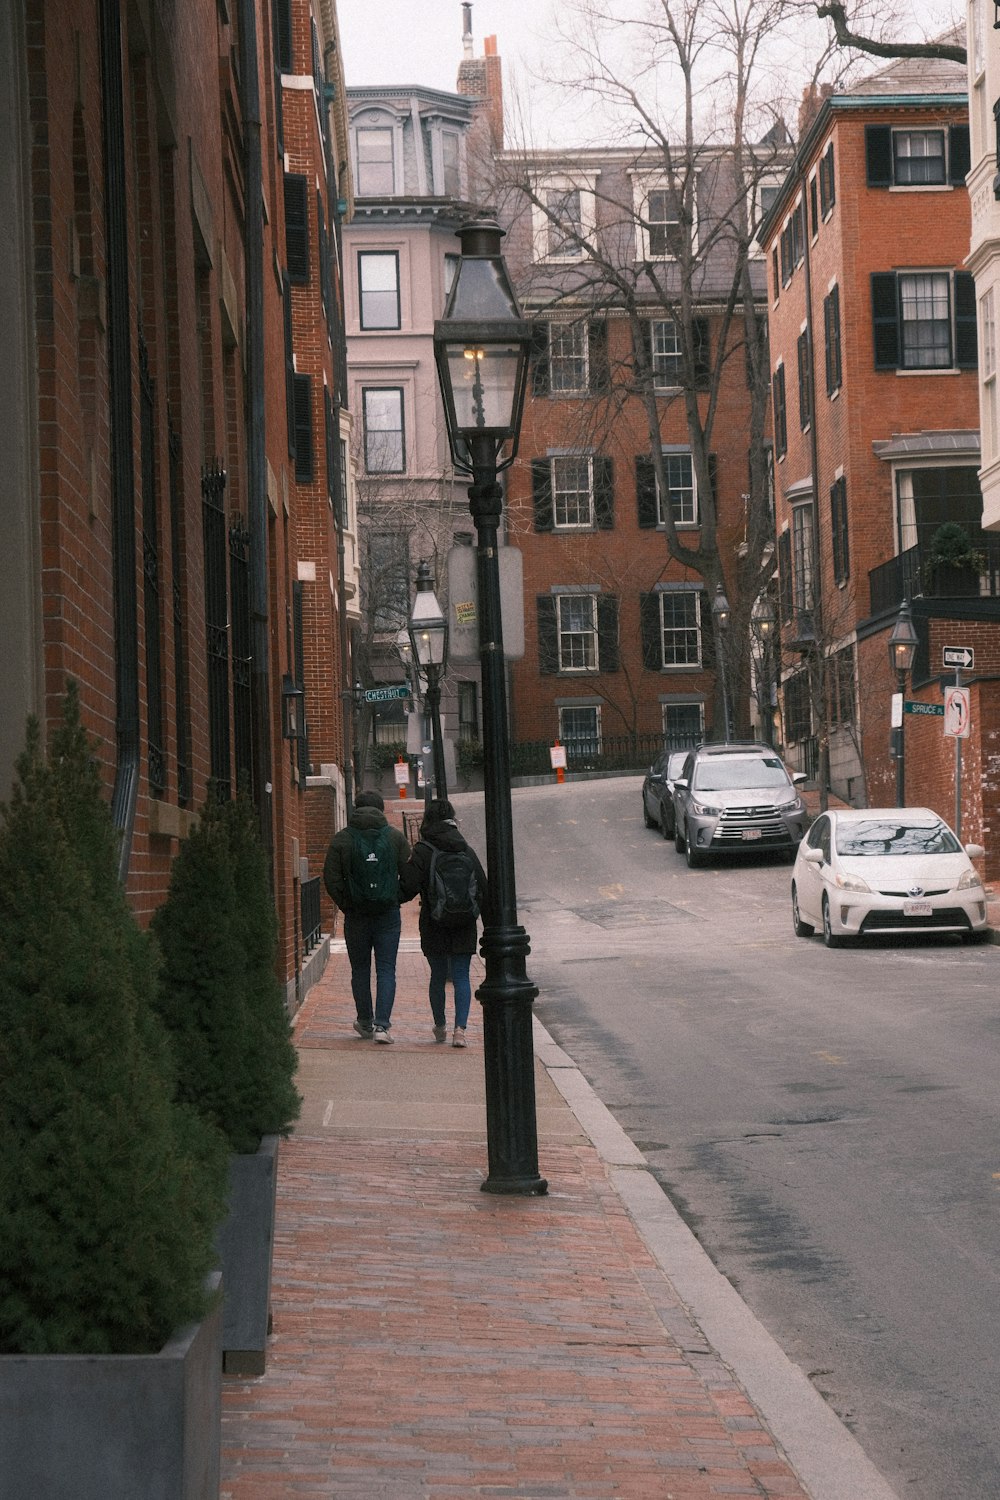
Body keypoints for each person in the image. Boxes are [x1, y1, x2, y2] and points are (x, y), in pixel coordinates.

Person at [323, 789, 411, 1043]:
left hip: (356, 916)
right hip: (387, 915)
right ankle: (383, 1026)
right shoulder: (395, 838)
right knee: (386, 970)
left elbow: (331, 878)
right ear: (381, 809)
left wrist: (347, 903)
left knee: (360, 970)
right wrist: (395, 897)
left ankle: (365, 1021)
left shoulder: (342, 839)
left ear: (355, 808)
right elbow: (411, 876)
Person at [400, 798, 487, 1048]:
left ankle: (440, 1026)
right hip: (464, 923)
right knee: (461, 975)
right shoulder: (465, 848)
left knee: (437, 975)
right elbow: (482, 887)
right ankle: (460, 1030)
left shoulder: (423, 849)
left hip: (434, 922)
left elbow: (408, 887)